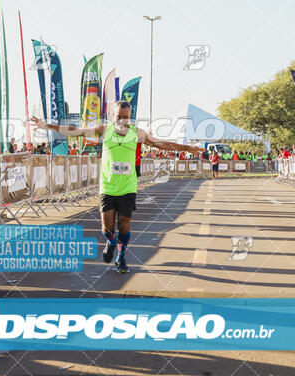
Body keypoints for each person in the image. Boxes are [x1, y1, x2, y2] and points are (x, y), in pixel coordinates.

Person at [31, 101, 204, 274]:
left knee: (124, 224)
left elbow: (162, 144)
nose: (122, 120)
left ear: (130, 116)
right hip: (108, 186)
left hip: (128, 186)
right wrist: (48, 126)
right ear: (113, 115)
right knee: (106, 229)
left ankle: (121, 257)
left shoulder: (138, 133)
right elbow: (76, 131)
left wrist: (188, 147)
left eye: (126, 117)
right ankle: (112, 242)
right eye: (119, 117)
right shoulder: (105, 130)